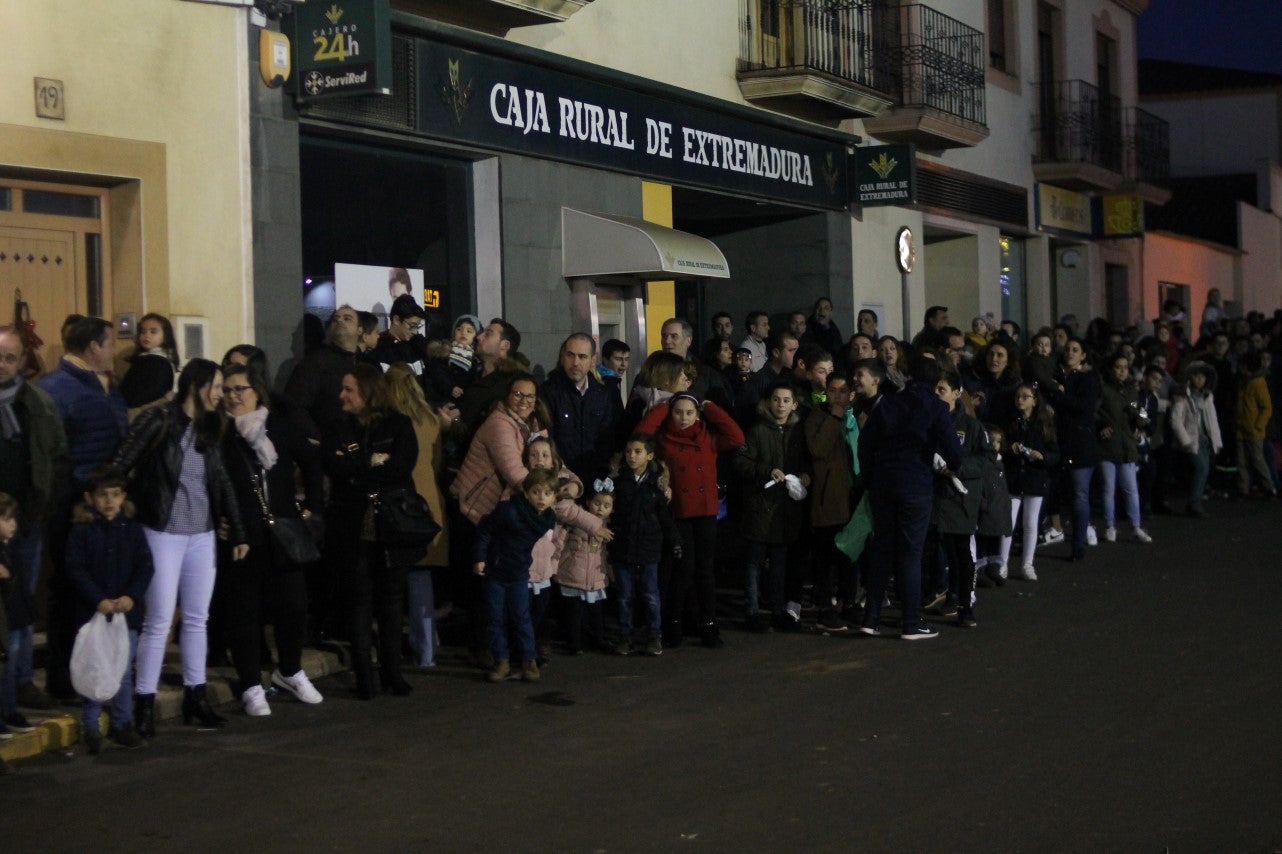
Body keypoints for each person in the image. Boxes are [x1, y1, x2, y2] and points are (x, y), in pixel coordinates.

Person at [114, 358, 247, 736]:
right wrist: (119, 513)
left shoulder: (211, 427)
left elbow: (221, 480)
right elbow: (122, 462)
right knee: (158, 622)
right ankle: (144, 703)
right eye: (217, 386)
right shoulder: (158, 420)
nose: (221, 395)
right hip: (162, 532)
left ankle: (196, 696)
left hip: (201, 535)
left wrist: (238, 531)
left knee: (196, 619)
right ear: (197, 385)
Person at [216, 362, 324, 716]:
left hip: (283, 532)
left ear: (256, 391)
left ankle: (289, 670)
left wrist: (311, 508)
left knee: (294, 606)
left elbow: (311, 460)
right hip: (243, 536)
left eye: (239, 389)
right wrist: (217, 519)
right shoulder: (219, 434)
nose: (233, 396)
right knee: (244, 612)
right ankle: (250, 684)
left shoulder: (278, 426)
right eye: (227, 389)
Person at [38, 316, 128, 700]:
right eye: (110, 343)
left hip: (105, 510)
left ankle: (99, 674)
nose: (113, 351)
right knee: (69, 592)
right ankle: (65, 678)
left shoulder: (106, 386)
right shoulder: (55, 390)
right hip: (71, 510)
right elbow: (51, 455)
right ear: (93, 346)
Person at [322, 363, 418, 699]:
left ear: (368, 391)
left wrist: (360, 467)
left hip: (390, 524)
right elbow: (333, 466)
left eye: (349, 389)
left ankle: (393, 672)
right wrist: (373, 462)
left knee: (392, 601)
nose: (342, 395)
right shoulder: (336, 427)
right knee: (360, 601)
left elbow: (403, 465)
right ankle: (365, 676)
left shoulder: (399, 424)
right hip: (352, 526)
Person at [857, 355, 960, 640]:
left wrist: (869, 479)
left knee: (882, 551)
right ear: (936, 381)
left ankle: (871, 618)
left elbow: (866, 444)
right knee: (910, 554)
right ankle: (912, 623)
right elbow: (954, 451)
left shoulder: (887, 403)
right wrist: (951, 465)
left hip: (883, 484)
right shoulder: (937, 407)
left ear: (910, 375)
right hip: (915, 485)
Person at [450, 373, 548, 665]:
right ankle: (485, 649)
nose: (524, 401)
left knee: (504, 586)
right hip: (477, 511)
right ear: (507, 396)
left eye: (529, 396)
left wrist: (569, 483)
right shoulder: (499, 425)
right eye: (518, 395)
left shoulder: (528, 425)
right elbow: (516, 473)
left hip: (499, 512)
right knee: (485, 587)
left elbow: (549, 460)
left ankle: (508, 649)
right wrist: (546, 495)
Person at [638, 393, 745, 649]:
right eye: (678, 412)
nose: (683, 418)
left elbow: (736, 437)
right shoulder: (663, 440)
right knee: (683, 570)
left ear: (698, 414)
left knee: (705, 571)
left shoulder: (707, 436)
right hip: (680, 512)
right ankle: (672, 623)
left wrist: (710, 406)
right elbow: (641, 435)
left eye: (689, 412)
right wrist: (662, 408)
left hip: (706, 511)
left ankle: (708, 625)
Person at [0, 326, 68, 719]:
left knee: (22, 604)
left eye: (11, 357)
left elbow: (58, 456)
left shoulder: (38, 404)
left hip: (25, 522)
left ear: (23, 361)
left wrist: (42, 506)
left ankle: (20, 680)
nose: (4, 364)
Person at [63, 465, 152, 753]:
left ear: (124, 496)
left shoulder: (132, 529)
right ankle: (91, 725)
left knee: (123, 670)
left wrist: (131, 597)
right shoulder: (82, 531)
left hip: (125, 613)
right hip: (93, 613)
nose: (109, 501)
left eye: (115, 494)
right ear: (90, 498)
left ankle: (122, 723)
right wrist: (97, 599)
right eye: (103, 495)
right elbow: (75, 570)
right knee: (94, 667)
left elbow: (145, 567)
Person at [383, 363, 450, 669]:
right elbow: (436, 464)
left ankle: (399, 647)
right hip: (430, 505)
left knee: (395, 583)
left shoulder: (391, 422)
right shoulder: (430, 420)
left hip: (401, 506)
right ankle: (426, 651)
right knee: (421, 579)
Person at [734, 382, 811, 633]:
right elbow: (741, 462)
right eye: (776, 400)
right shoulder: (757, 430)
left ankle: (777, 611)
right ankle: (752, 612)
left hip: (784, 509)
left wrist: (806, 475)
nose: (780, 405)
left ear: (794, 404)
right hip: (760, 505)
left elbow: (806, 461)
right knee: (755, 562)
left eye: (786, 400)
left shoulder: (798, 431)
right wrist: (766, 471)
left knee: (779, 562)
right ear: (769, 402)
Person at [473, 468, 559, 684]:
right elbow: (485, 529)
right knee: (495, 617)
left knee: (522, 617)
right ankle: (501, 660)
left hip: (519, 573)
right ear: (527, 493)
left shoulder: (547, 519)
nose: (542, 498)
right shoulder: (509, 511)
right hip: (496, 572)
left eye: (548, 493)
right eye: (537, 492)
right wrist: (480, 557)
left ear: (554, 497)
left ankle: (528, 660)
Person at [926, 369, 989, 627]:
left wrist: (957, 467)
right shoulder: (926, 421)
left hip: (958, 499)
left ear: (956, 393)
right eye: (935, 390)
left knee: (961, 553)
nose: (937, 395)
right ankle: (940, 595)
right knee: (935, 552)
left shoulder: (971, 426)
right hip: (933, 498)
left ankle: (965, 605)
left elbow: (985, 460)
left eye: (942, 390)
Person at [607, 434, 677, 657]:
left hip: (648, 547)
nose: (632, 456)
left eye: (637, 451)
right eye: (628, 451)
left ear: (650, 455)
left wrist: (675, 541)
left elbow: (664, 517)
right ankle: (625, 636)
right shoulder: (617, 481)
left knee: (650, 594)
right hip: (623, 546)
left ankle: (654, 635)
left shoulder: (657, 483)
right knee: (625, 595)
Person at [803, 371, 859, 632]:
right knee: (827, 556)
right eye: (833, 390)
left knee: (850, 555)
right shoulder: (818, 416)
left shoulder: (857, 417)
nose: (838, 396)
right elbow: (817, 449)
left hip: (854, 496)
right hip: (829, 498)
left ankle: (849, 604)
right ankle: (825, 609)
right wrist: (834, 418)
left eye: (843, 390)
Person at [1044, 338, 1101, 561]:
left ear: (1083, 355)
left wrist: (1058, 397)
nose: (1070, 353)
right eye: (1067, 349)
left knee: (1079, 496)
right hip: (1056, 443)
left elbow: (1084, 407)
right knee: (1053, 492)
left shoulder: (1088, 378)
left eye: (1075, 350)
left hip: (1080, 445)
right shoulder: (1055, 375)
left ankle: (1078, 543)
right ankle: (1055, 530)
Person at [540, 333, 623, 483]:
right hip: (559, 479)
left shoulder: (602, 394)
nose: (575, 362)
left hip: (594, 480)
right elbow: (546, 440)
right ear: (563, 357)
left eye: (582, 356)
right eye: (570, 355)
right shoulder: (549, 392)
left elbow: (607, 441)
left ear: (592, 360)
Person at [1002, 383, 1060, 581]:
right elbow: (999, 444)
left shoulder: (1043, 424)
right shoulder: (1011, 421)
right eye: (1018, 396)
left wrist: (1042, 456)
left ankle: (1027, 563)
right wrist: (1010, 448)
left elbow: (1055, 453)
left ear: (1034, 401)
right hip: (1014, 477)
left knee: (1030, 523)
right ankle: (1003, 563)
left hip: (1035, 477)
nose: (1020, 400)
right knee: (1008, 521)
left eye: (1025, 397)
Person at [282, 305, 360, 445]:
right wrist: (321, 440)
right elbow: (294, 406)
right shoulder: (314, 363)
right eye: (335, 319)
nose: (340, 321)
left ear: (360, 329)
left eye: (347, 318)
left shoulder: (367, 365)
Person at [1096, 353, 1153, 544]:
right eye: (1118, 367)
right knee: (1108, 488)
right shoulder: (1103, 389)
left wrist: (1142, 419)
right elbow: (1094, 412)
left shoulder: (1131, 391)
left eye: (1125, 367)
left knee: (1131, 488)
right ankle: (1110, 526)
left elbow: (1142, 413)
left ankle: (1135, 526)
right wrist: (1101, 426)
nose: (1122, 371)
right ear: (1111, 369)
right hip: (1108, 445)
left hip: (1127, 445)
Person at [556, 484, 614, 655]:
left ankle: (599, 639)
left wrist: (611, 574)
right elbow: (559, 543)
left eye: (606, 505)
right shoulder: (575, 520)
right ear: (588, 502)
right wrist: (553, 566)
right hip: (573, 573)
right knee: (574, 612)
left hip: (596, 577)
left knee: (596, 612)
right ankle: (574, 643)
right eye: (597, 503)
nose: (600, 508)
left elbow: (608, 555)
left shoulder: (609, 527)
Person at [1170, 361, 1222, 517]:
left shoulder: (1207, 396)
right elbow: (1175, 420)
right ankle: (1194, 502)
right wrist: (1185, 440)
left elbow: (1213, 419)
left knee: (1203, 470)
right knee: (1201, 468)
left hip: (1205, 439)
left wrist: (1217, 441)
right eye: (1196, 375)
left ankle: (1194, 501)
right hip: (1192, 438)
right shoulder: (1183, 396)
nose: (1199, 379)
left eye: (1202, 376)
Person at [1234, 351, 1276, 499]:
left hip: (1253, 430)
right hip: (1242, 428)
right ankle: (1243, 489)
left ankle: (1269, 488)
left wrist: (1258, 426)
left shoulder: (1257, 383)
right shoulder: (1246, 382)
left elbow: (1267, 407)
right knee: (1242, 461)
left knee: (1257, 459)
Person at [118, 312, 179, 416]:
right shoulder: (145, 359)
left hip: (143, 412)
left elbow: (154, 391)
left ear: (165, 337)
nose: (146, 335)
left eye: (153, 332)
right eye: (143, 331)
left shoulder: (159, 362)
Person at [365, 294, 429, 378]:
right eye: (412, 325)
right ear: (396, 320)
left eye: (417, 326)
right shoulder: (378, 349)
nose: (415, 331)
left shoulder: (418, 347)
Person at [424, 313, 481, 405]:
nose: (463, 332)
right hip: (442, 401)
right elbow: (438, 374)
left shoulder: (476, 360)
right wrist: (450, 387)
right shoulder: (443, 353)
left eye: (469, 331)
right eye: (459, 329)